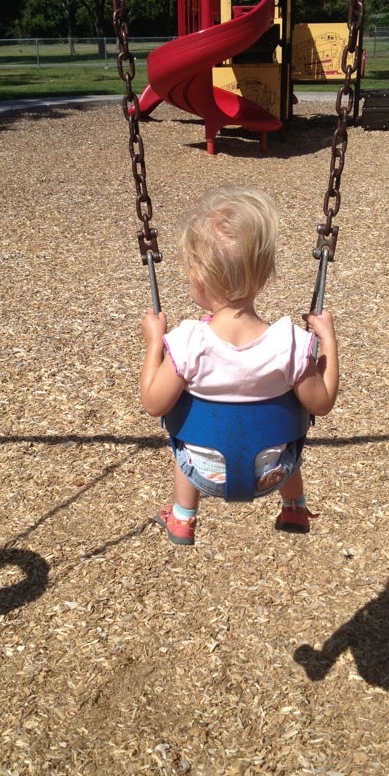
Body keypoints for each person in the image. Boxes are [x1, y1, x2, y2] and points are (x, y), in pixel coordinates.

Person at [140, 185, 339, 545]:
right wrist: (329, 341)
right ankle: (294, 505)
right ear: (263, 278)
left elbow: (153, 403)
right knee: (290, 443)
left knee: (185, 437)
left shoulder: (188, 343)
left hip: (204, 472)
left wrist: (155, 342)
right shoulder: (289, 343)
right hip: (272, 471)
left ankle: (183, 517)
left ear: (198, 280)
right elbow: (321, 404)